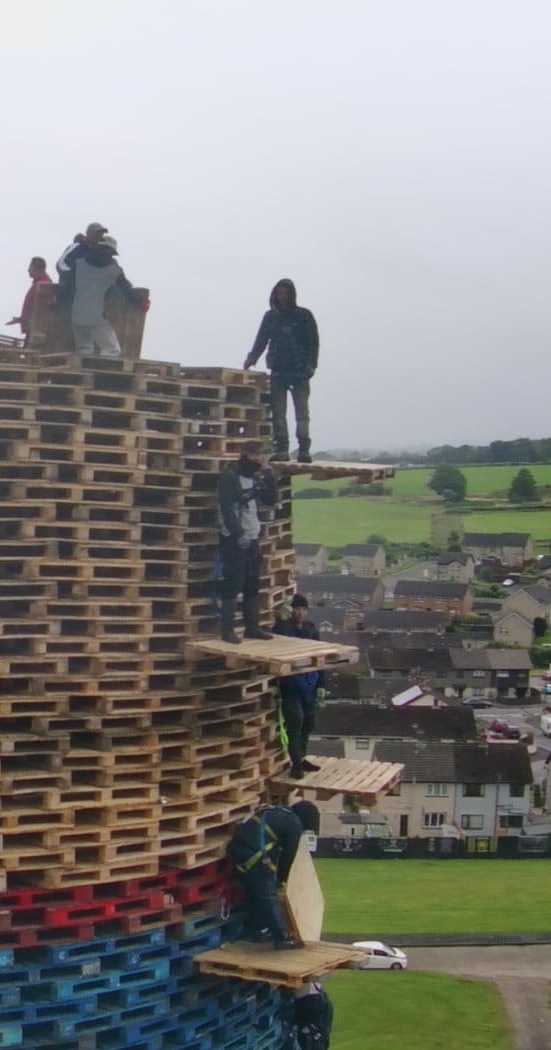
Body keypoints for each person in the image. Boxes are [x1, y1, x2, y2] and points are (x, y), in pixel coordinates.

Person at [242, 279, 320, 463]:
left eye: (285, 293)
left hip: (300, 371)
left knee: (302, 413)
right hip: (278, 370)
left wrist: (311, 365)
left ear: (292, 295)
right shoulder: (271, 317)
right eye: (279, 293)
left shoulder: (304, 316)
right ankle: (282, 449)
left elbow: (313, 342)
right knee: (278, 412)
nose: (282, 297)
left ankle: (303, 450)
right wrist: (251, 358)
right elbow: (261, 340)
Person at [215, 441, 278, 644]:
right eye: (256, 458)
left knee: (252, 582)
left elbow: (270, 500)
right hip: (234, 538)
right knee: (234, 582)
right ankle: (228, 630)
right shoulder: (229, 477)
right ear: (246, 456)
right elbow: (227, 509)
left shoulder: (254, 476)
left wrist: (270, 478)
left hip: (252, 535)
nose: (259, 462)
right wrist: (238, 534)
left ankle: (252, 627)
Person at [226, 802, 306, 950]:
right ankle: (282, 938)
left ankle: (256, 930)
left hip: (236, 850)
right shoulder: (295, 823)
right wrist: (281, 880)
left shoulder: (273, 810)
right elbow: (288, 856)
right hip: (254, 855)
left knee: (253, 893)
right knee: (268, 896)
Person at [68, 235, 148, 357]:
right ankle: (99, 374)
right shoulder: (114, 270)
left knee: (84, 349)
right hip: (96, 316)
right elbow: (126, 289)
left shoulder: (79, 264)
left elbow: (67, 286)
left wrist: (55, 299)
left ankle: (84, 371)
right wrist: (141, 301)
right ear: (111, 253)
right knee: (112, 350)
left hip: (76, 314)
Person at [275, 594, 324, 777]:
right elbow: (278, 634)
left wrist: (321, 684)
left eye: (303, 609)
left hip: (309, 685)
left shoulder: (311, 629)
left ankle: (301, 759)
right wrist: (282, 618)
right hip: (291, 688)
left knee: (308, 724)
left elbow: (320, 658)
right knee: (296, 725)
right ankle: (296, 765)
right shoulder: (286, 629)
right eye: (297, 609)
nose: (300, 613)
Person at [8, 256, 52, 337]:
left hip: (35, 332)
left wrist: (31, 322)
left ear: (37, 269)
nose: (28, 270)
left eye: (30, 267)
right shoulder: (39, 284)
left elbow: (43, 310)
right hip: (31, 329)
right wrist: (21, 319)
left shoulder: (44, 285)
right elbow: (34, 308)